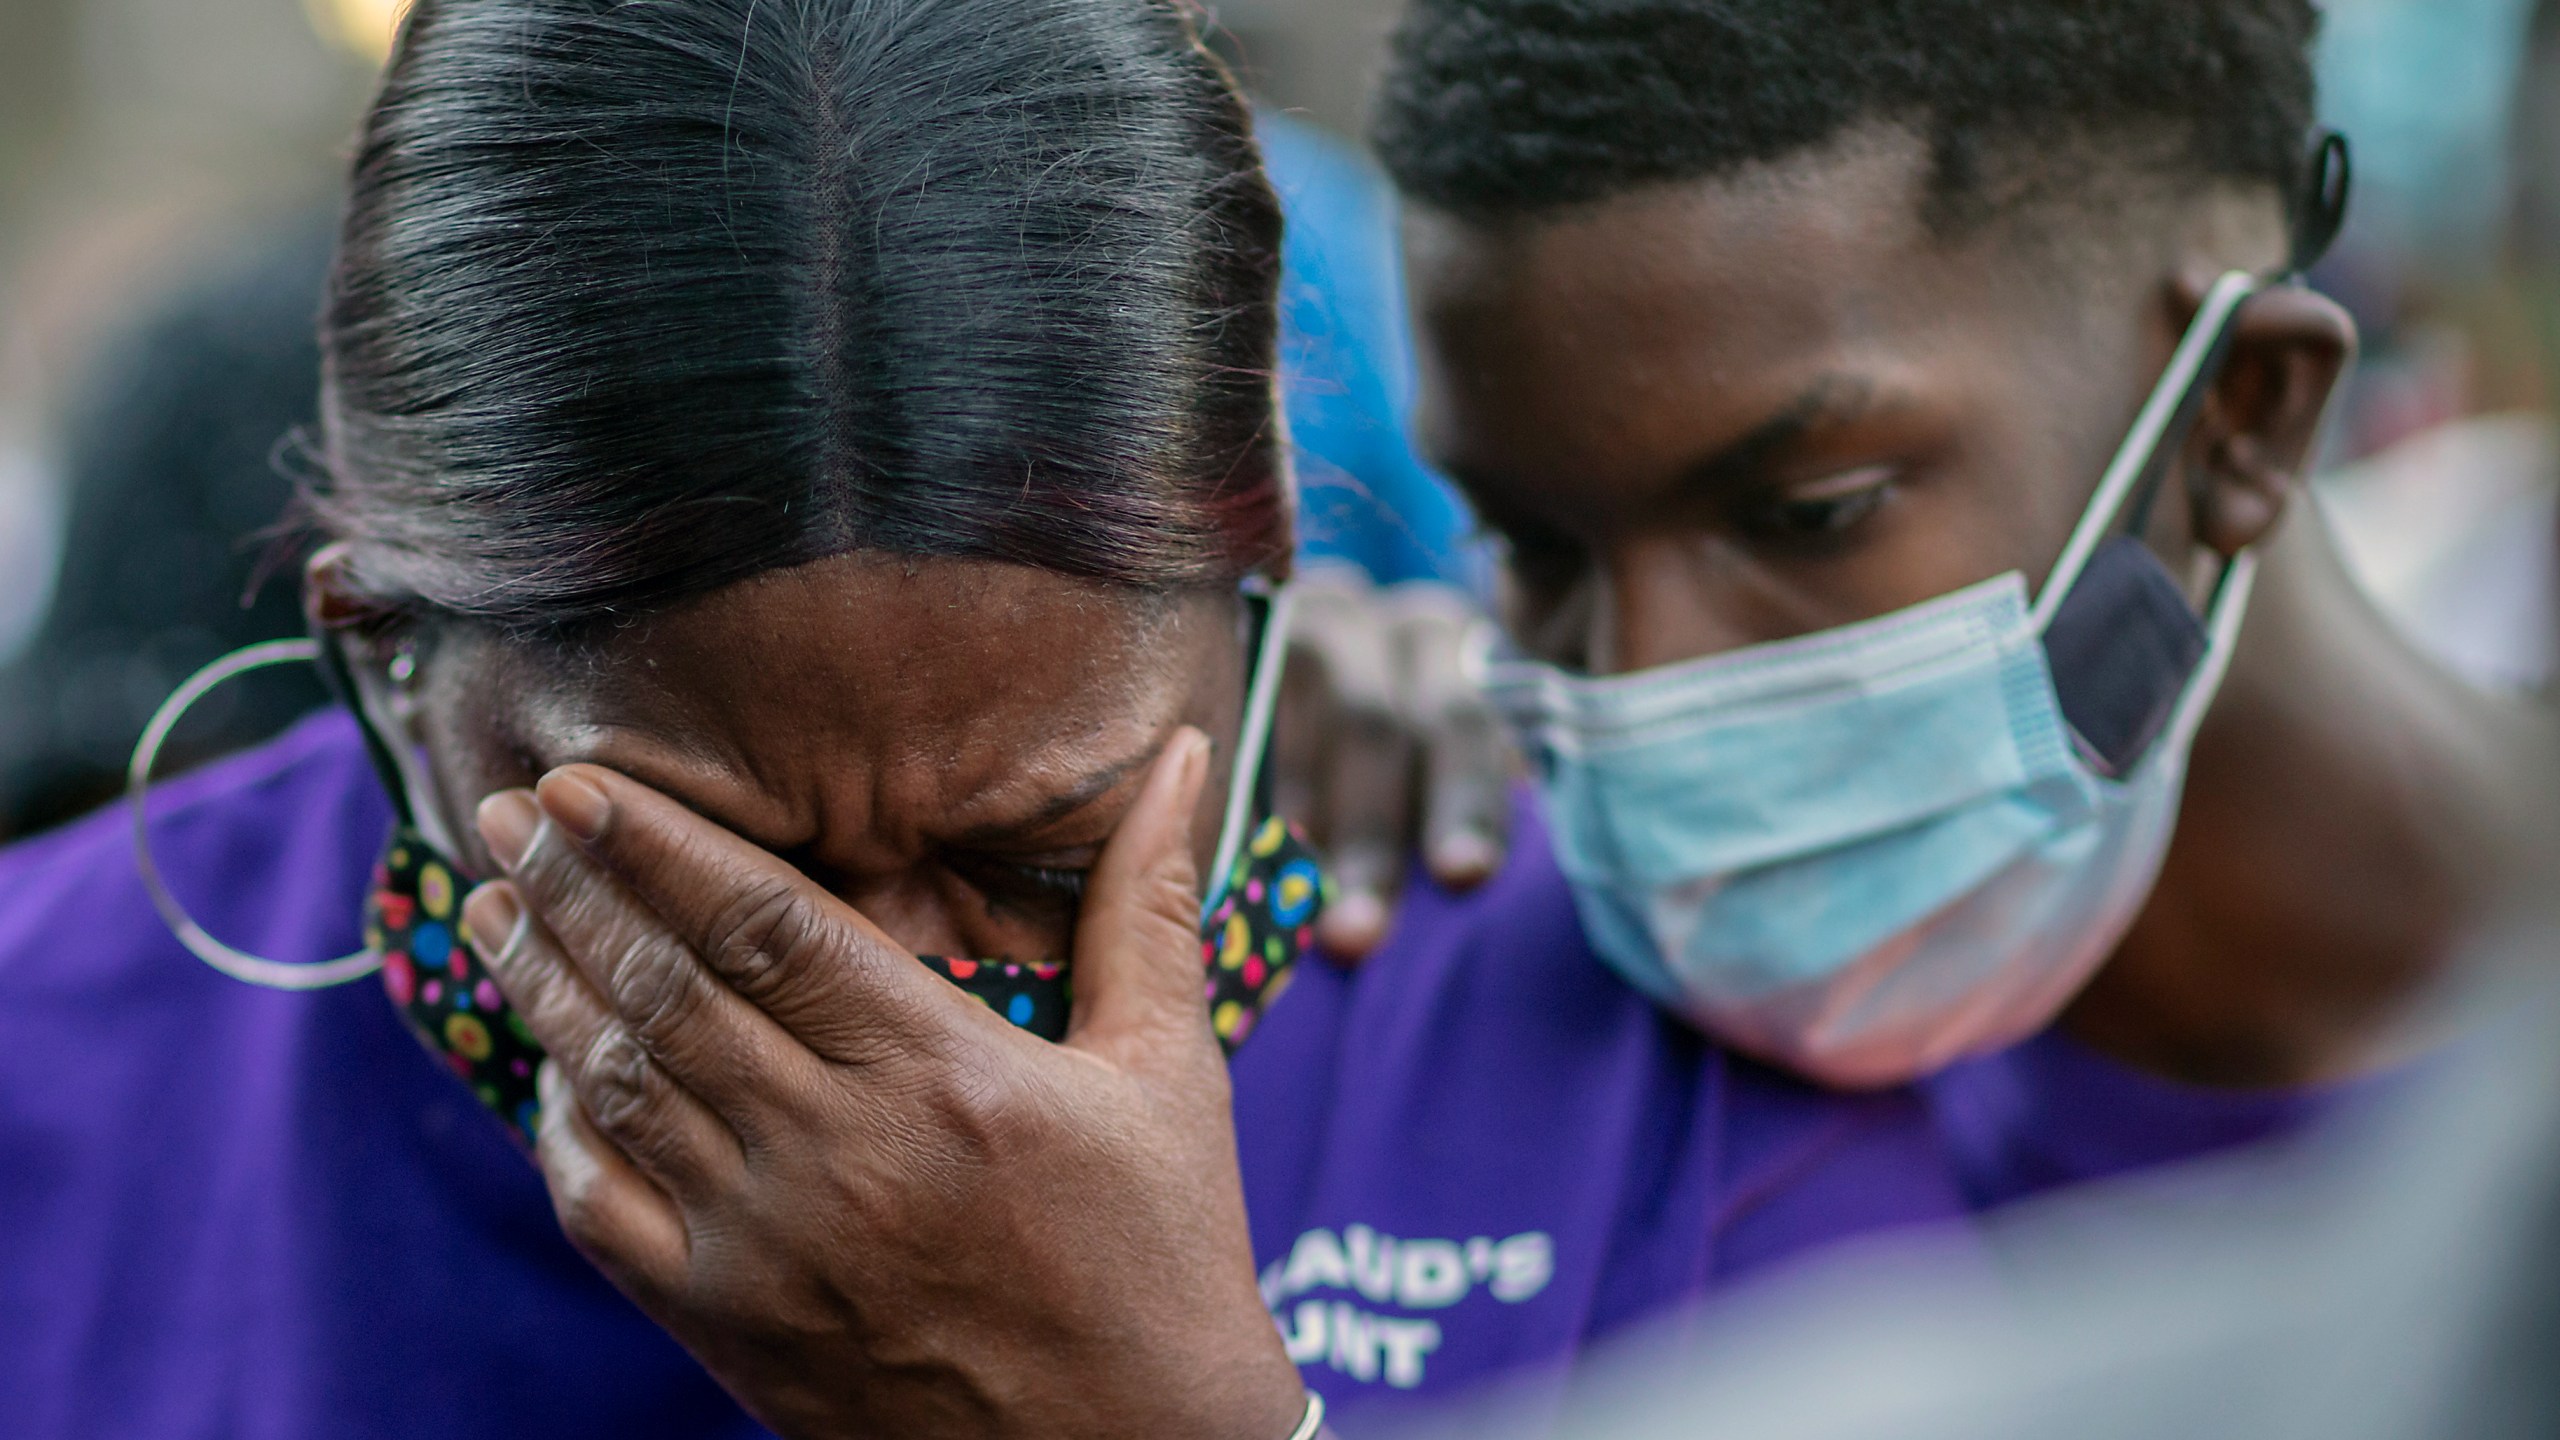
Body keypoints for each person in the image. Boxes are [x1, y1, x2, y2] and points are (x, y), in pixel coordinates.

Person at [0, 6, 2538, 1440]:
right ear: (380, 662)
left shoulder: (1636, 1074)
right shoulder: (49, 1077)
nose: (897, 1015)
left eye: (1030, 846)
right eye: (682, 857)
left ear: (1260, 629)